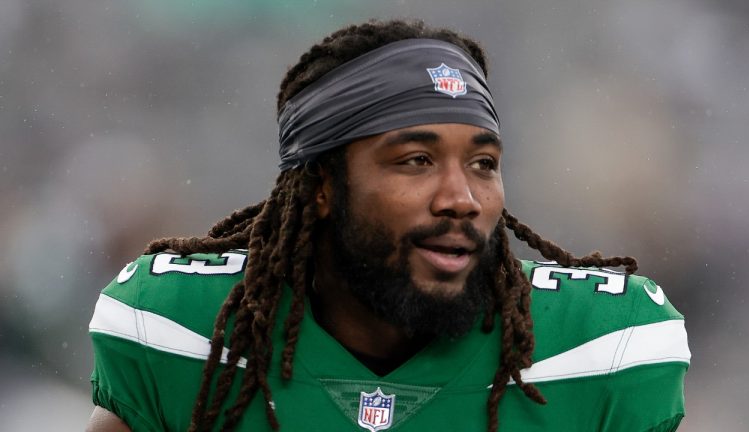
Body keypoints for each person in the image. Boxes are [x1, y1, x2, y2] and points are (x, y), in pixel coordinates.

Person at [86, 19, 690, 432]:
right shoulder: (175, 328)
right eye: (416, 160)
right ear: (323, 185)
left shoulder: (603, 347)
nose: (462, 199)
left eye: (483, 164)